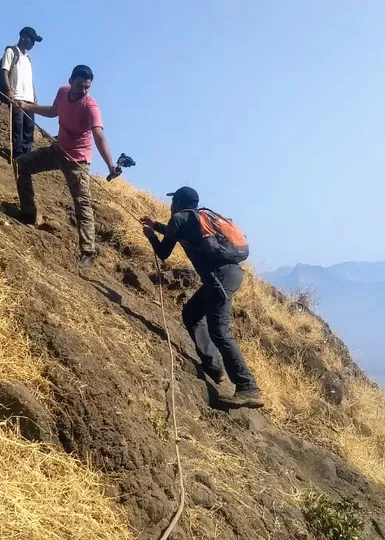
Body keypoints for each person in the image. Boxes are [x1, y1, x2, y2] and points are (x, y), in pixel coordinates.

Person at [142, 187, 264, 408]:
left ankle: (248, 387)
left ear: (178, 203)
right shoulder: (200, 218)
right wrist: (156, 226)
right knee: (191, 313)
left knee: (219, 331)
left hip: (220, 279)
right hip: (229, 274)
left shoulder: (179, 219)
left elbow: (163, 253)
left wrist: (151, 236)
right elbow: (180, 235)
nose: (170, 206)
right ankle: (214, 368)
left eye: (173, 201)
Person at [16, 65, 122, 267]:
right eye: (80, 86)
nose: (83, 91)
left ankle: (88, 252)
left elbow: (98, 135)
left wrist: (110, 165)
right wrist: (27, 106)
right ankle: (28, 213)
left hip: (77, 161)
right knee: (22, 164)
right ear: (71, 81)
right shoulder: (63, 91)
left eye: (87, 87)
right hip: (58, 150)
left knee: (82, 204)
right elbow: (53, 111)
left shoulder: (90, 107)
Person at [0, 26, 41, 158]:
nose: (33, 43)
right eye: (32, 40)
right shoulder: (11, 51)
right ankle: (17, 155)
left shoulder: (28, 58)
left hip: (29, 99)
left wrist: (34, 96)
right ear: (23, 37)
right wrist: (8, 90)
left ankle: (26, 156)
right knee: (18, 127)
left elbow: (29, 80)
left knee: (29, 129)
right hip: (16, 96)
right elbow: (4, 71)